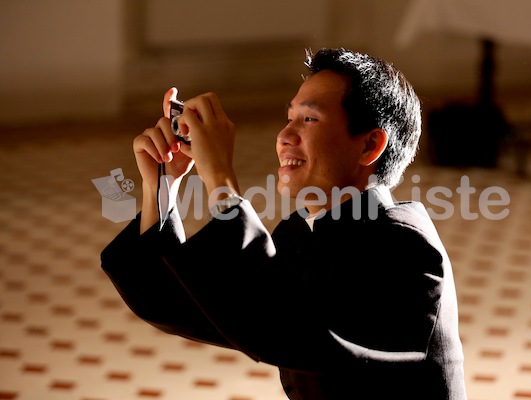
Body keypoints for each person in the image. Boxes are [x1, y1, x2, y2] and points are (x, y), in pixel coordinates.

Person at [101, 47, 467, 399]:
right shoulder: (298, 234)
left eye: (309, 118)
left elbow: (280, 328)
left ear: (370, 145)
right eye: (288, 118)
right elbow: (171, 305)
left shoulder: (405, 247)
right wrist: (162, 186)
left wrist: (221, 179)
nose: (284, 137)